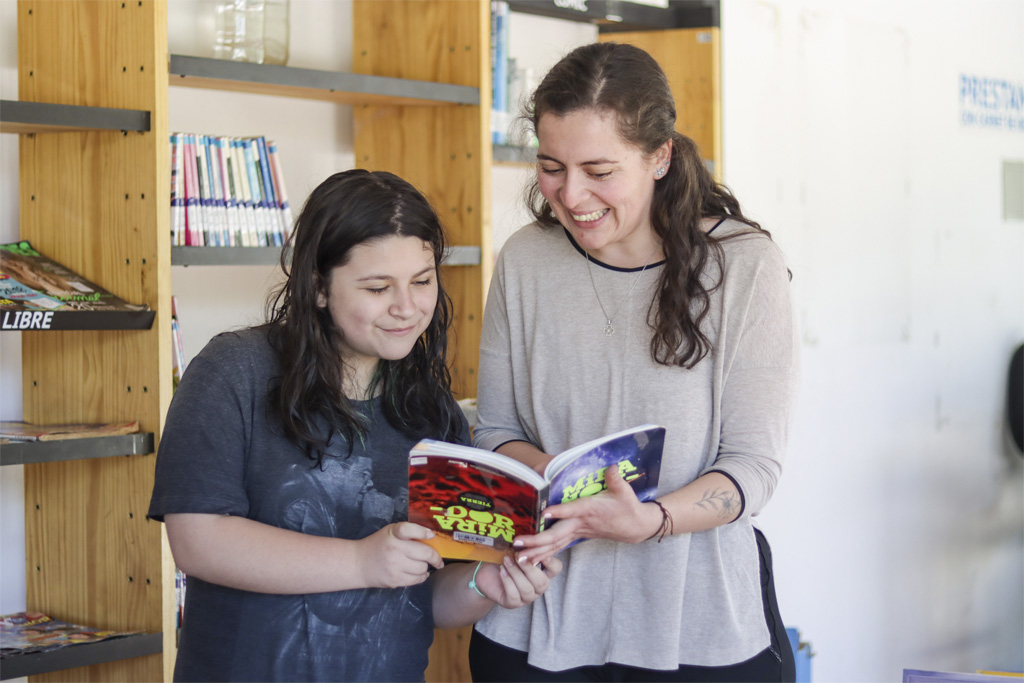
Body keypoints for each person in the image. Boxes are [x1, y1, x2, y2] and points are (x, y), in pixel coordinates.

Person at [148, 169, 561, 682]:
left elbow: (425, 597)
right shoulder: (235, 370)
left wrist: (486, 583)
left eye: (422, 281)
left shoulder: (433, 412)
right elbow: (197, 541)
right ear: (319, 287)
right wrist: (362, 562)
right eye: (377, 287)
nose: (407, 308)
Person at [470, 42, 800, 682]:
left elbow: (754, 466)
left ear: (659, 156)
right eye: (550, 167)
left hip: (697, 625)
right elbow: (496, 429)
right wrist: (567, 484)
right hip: (537, 615)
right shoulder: (524, 260)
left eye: (599, 170)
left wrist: (649, 521)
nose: (571, 195)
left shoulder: (743, 264)